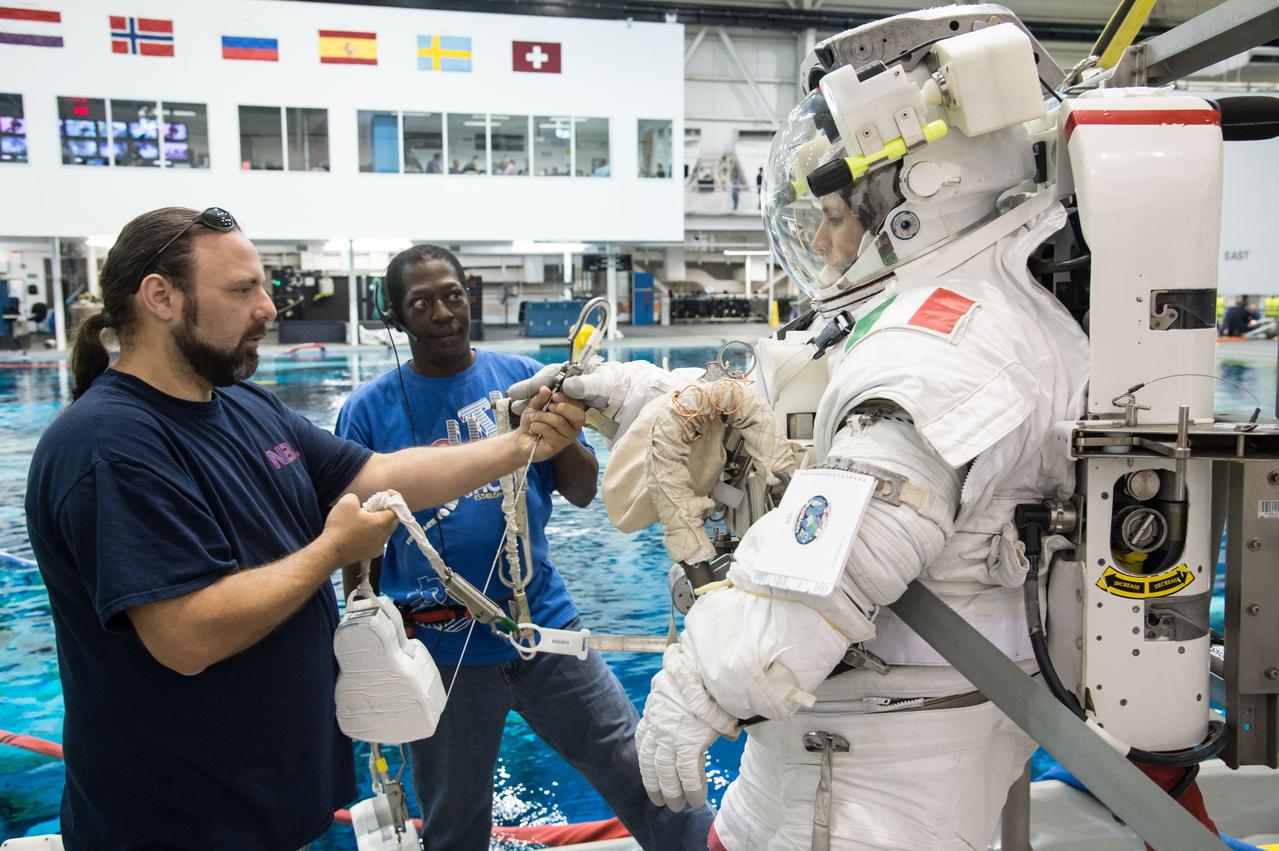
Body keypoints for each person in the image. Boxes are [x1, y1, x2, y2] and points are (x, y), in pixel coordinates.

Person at [511, 11, 1092, 849]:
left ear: (919, 202)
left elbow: (835, 556)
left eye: (837, 216)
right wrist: (628, 393)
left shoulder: (947, 347)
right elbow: (778, 433)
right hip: (829, 735)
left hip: (882, 769)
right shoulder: (922, 320)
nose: (821, 240)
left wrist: (696, 685)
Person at [23, 207, 585, 851]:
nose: (267, 308)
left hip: (269, 800)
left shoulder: (242, 404)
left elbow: (376, 473)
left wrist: (521, 446)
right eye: (242, 290)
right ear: (161, 297)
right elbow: (186, 635)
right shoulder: (112, 445)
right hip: (179, 819)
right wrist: (333, 551)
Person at [335, 245, 714, 851]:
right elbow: (357, 543)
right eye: (422, 303)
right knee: (453, 823)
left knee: (645, 775)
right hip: (440, 648)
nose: (442, 312)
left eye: (452, 295)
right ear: (396, 317)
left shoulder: (522, 379)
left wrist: (561, 431)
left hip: (542, 627)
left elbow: (583, 491)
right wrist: (367, 636)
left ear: (469, 297)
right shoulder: (366, 412)